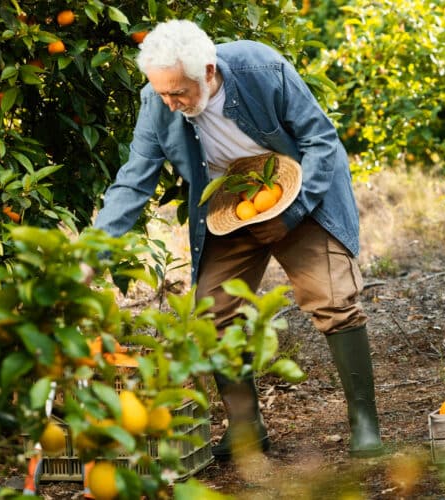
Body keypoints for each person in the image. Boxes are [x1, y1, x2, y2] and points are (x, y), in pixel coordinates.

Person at [92, 19, 383, 459]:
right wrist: (89, 254)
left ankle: (365, 423)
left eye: (179, 93)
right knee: (213, 313)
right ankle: (247, 428)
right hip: (232, 208)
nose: (170, 104)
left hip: (297, 190)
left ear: (208, 71)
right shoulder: (157, 101)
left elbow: (321, 139)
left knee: (333, 298)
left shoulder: (260, 70)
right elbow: (133, 181)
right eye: (163, 93)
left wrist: (295, 212)